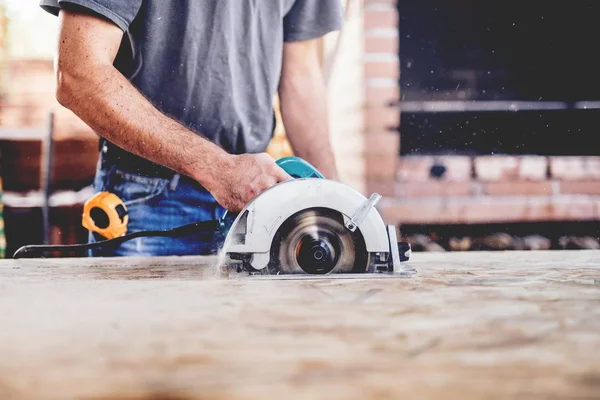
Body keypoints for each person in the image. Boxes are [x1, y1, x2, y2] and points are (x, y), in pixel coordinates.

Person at [39, 0, 343, 257]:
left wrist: (340, 207)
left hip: (251, 200)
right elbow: (78, 73)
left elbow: (300, 79)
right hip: (148, 198)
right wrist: (218, 169)